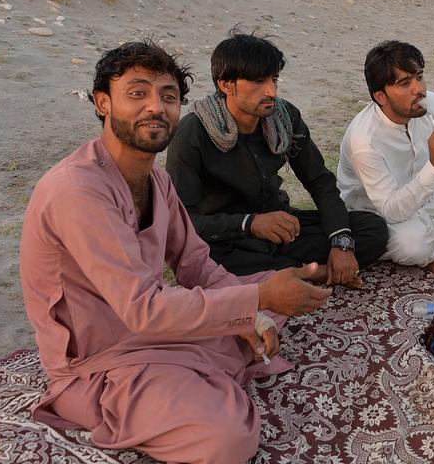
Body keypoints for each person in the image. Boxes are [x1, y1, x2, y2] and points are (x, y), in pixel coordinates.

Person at [20, 41, 334, 464]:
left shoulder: (157, 181)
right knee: (226, 439)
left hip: (154, 332)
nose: (156, 107)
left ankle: (198, 373)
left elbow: (195, 263)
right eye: (137, 93)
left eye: (168, 97)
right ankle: (187, 388)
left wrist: (253, 313)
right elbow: (144, 309)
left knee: (264, 301)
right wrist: (257, 301)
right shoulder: (77, 190)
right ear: (102, 103)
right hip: (100, 362)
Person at [166, 32, 388, 285]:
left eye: (273, 79)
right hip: (227, 240)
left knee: (372, 229)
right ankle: (311, 273)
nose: (271, 91)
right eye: (258, 82)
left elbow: (320, 182)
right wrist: (250, 223)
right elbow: (182, 221)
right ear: (226, 84)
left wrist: (342, 244)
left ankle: (290, 273)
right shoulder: (192, 133)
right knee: (202, 264)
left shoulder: (285, 117)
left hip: (282, 229)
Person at [337, 40, 434, 276]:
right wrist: (433, 166)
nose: (418, 89)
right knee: (413, 244)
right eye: (405, 83)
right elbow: (390, 209)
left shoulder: (423, 104)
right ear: (381, 96)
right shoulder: (364, 141)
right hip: (378, 217)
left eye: (419, 77)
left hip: (427, 200)